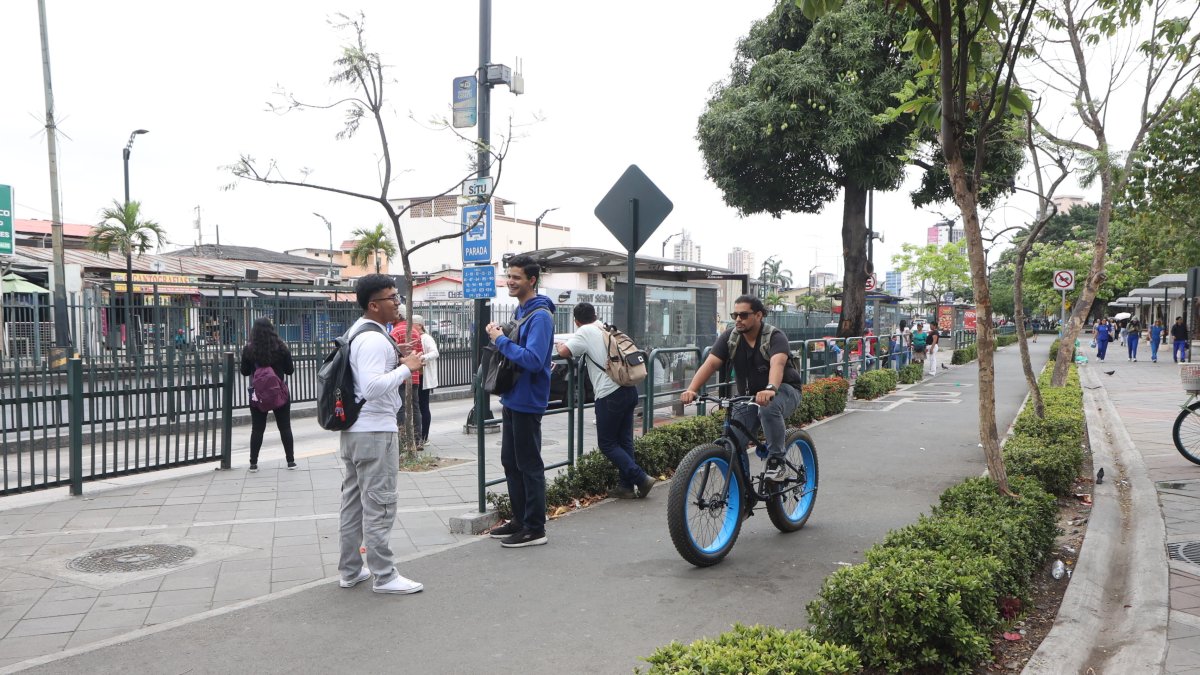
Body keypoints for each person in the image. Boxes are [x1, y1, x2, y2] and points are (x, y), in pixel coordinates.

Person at [337, 273, 424, 595]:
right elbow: (372, 387)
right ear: (374, 305)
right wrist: (407, 367)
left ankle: (350, 571)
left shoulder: (359, 332)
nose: (398, 302)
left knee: (354, 506)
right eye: (392, 298)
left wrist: (395, 358)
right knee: (380, 505)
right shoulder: (373, 338)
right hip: (374, 432)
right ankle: (384, 576)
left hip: (355, 433)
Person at [680, 295, 803, 482]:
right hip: (749, 396)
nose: (738, 319)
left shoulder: (775, 337)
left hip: (784, 391)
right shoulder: (730, 337)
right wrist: (692, 389)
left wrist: (770, 389)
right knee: (733, 444)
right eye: (735, 314)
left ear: (759, 315)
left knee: (768, 407)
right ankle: (743, 494)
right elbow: (711, 363)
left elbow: (777, 365)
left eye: (744, 315)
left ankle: (777, 461)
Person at [486, 255, 556, 548]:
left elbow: (534, 359)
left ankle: (535, 527)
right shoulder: (522, 310)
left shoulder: (540, 316)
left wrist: (501, 340)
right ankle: (520, 519)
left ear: (532, 280)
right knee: (511, 462)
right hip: (513, 397)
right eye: (509, 276)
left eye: (516, 277)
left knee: (528, 464)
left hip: (528, 399)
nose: (510, 282)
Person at [557, 302, 656, 500]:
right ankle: (626, 487)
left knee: (607, 443)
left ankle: (641, 478)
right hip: (628, 390)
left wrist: (560, 345)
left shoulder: (584, 331)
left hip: (610, 395)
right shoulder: (605, 328)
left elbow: (564, 352)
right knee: (624, 440)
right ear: (595, 314)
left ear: (576, 321)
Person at [240, 318, 295, 472]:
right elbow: (290, 370)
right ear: (272, 330)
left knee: (257, 429)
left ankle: (253, 463)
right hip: (279, 393)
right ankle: (290, 461)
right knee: (285, 427)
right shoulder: (281, 347)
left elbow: (244, 372)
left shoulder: (249, 349)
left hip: (258, 395)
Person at [390, 309, 424, 446]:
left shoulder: (395, 332)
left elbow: (391, 353)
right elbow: (420, 354)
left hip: (401, 375)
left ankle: (402, 439)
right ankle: (417, 439)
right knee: (415, 407)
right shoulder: (415, 332)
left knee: (401, 407)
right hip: (414, 375)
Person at [412, 315, 438, 446]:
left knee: (423, 406)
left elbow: (435, 353)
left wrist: (422, 357)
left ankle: (424, 436)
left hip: (424, 377)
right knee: (416, 406)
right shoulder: (414, 337)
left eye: (413, 325)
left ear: (419, 326)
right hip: (416, 376)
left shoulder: (426, 338)